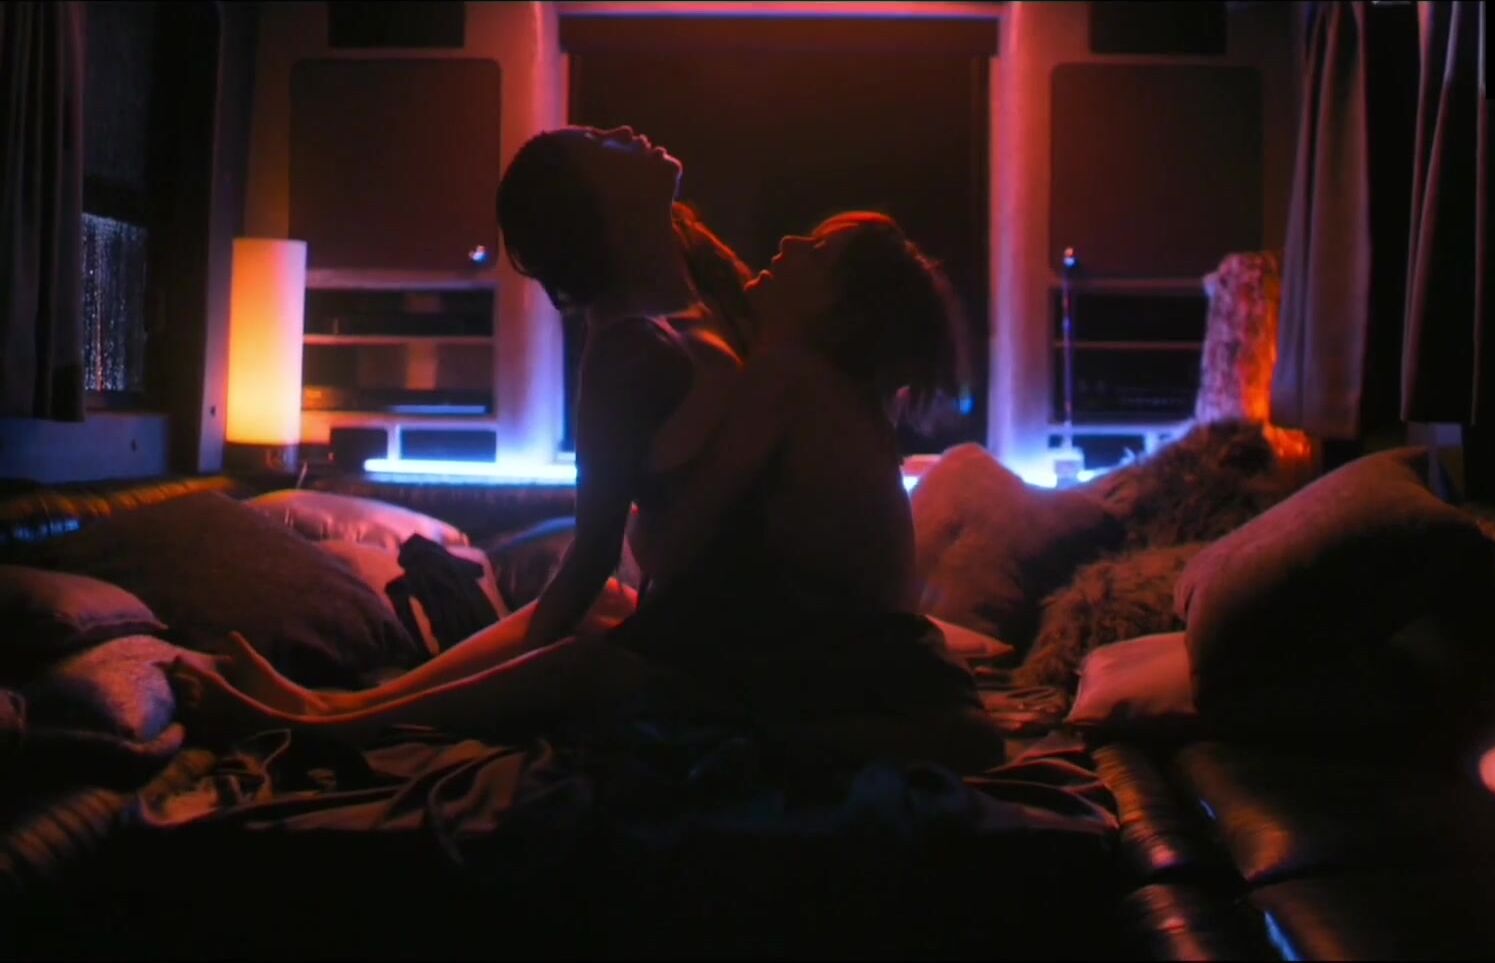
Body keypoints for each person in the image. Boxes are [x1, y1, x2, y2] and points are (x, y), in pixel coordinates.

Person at [170, 135, 1001, 773]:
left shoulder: (724, 291)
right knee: (588, 620)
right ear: (598, 207)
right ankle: (331, 716)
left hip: (769, 622)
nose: (629, 135)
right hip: (744, 618)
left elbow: (827, 408)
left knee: (598, 627)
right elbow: (600, 556)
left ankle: (335, 714)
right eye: (605, 146)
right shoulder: (631, 351)